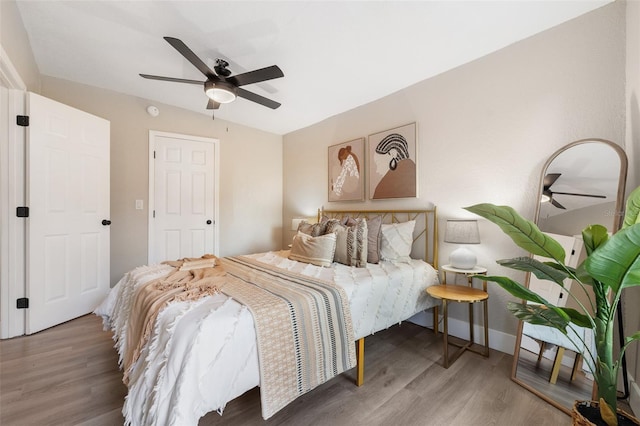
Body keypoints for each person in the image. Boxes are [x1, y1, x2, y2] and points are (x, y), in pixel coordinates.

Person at [372, 133, 416, 199]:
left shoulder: (386, 186)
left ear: (393, 154)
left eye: (379, 163)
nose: (377, 170)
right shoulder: (411, 173)